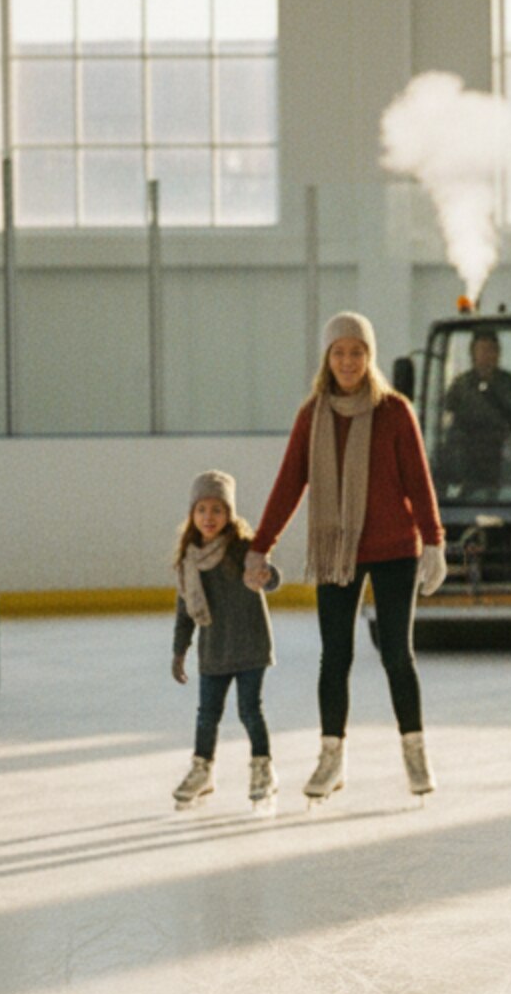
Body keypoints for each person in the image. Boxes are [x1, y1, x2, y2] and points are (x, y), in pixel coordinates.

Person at [247, 314, 447, 805]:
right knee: (335, 657)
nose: (348, 361)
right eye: (339, 352)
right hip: (338, 552)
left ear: (369, 356)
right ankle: (331, 757)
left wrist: (435, 540)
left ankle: (415, 752)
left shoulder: (395, 411)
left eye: (357, 352)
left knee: (398, 654)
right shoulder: (312, 416)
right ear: (327, 358)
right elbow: (289, 484)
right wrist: (261, 543)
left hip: (396, 549)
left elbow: (418, 482)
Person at [170, 469, 280, 812]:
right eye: (201, 509)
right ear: (192, 514)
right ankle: (202, 771)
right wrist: (179, 651)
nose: (209, 517)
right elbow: (185, 610)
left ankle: (263, 770)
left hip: (250, 646)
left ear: (229, 514)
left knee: (250, 711)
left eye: (217, 509)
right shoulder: (189, 559)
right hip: (214, 649)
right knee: (207, 715)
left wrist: (266, 575)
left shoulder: (243, 548)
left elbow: (271, 578)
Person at [441, 328, 511, 492]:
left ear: (498, 354)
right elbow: (448, 421)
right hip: (470, 457)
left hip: (505, 456)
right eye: (482, 350)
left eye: (491, 350)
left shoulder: (510, 383)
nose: (487, 356)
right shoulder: (461, 386)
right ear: (473, 354)